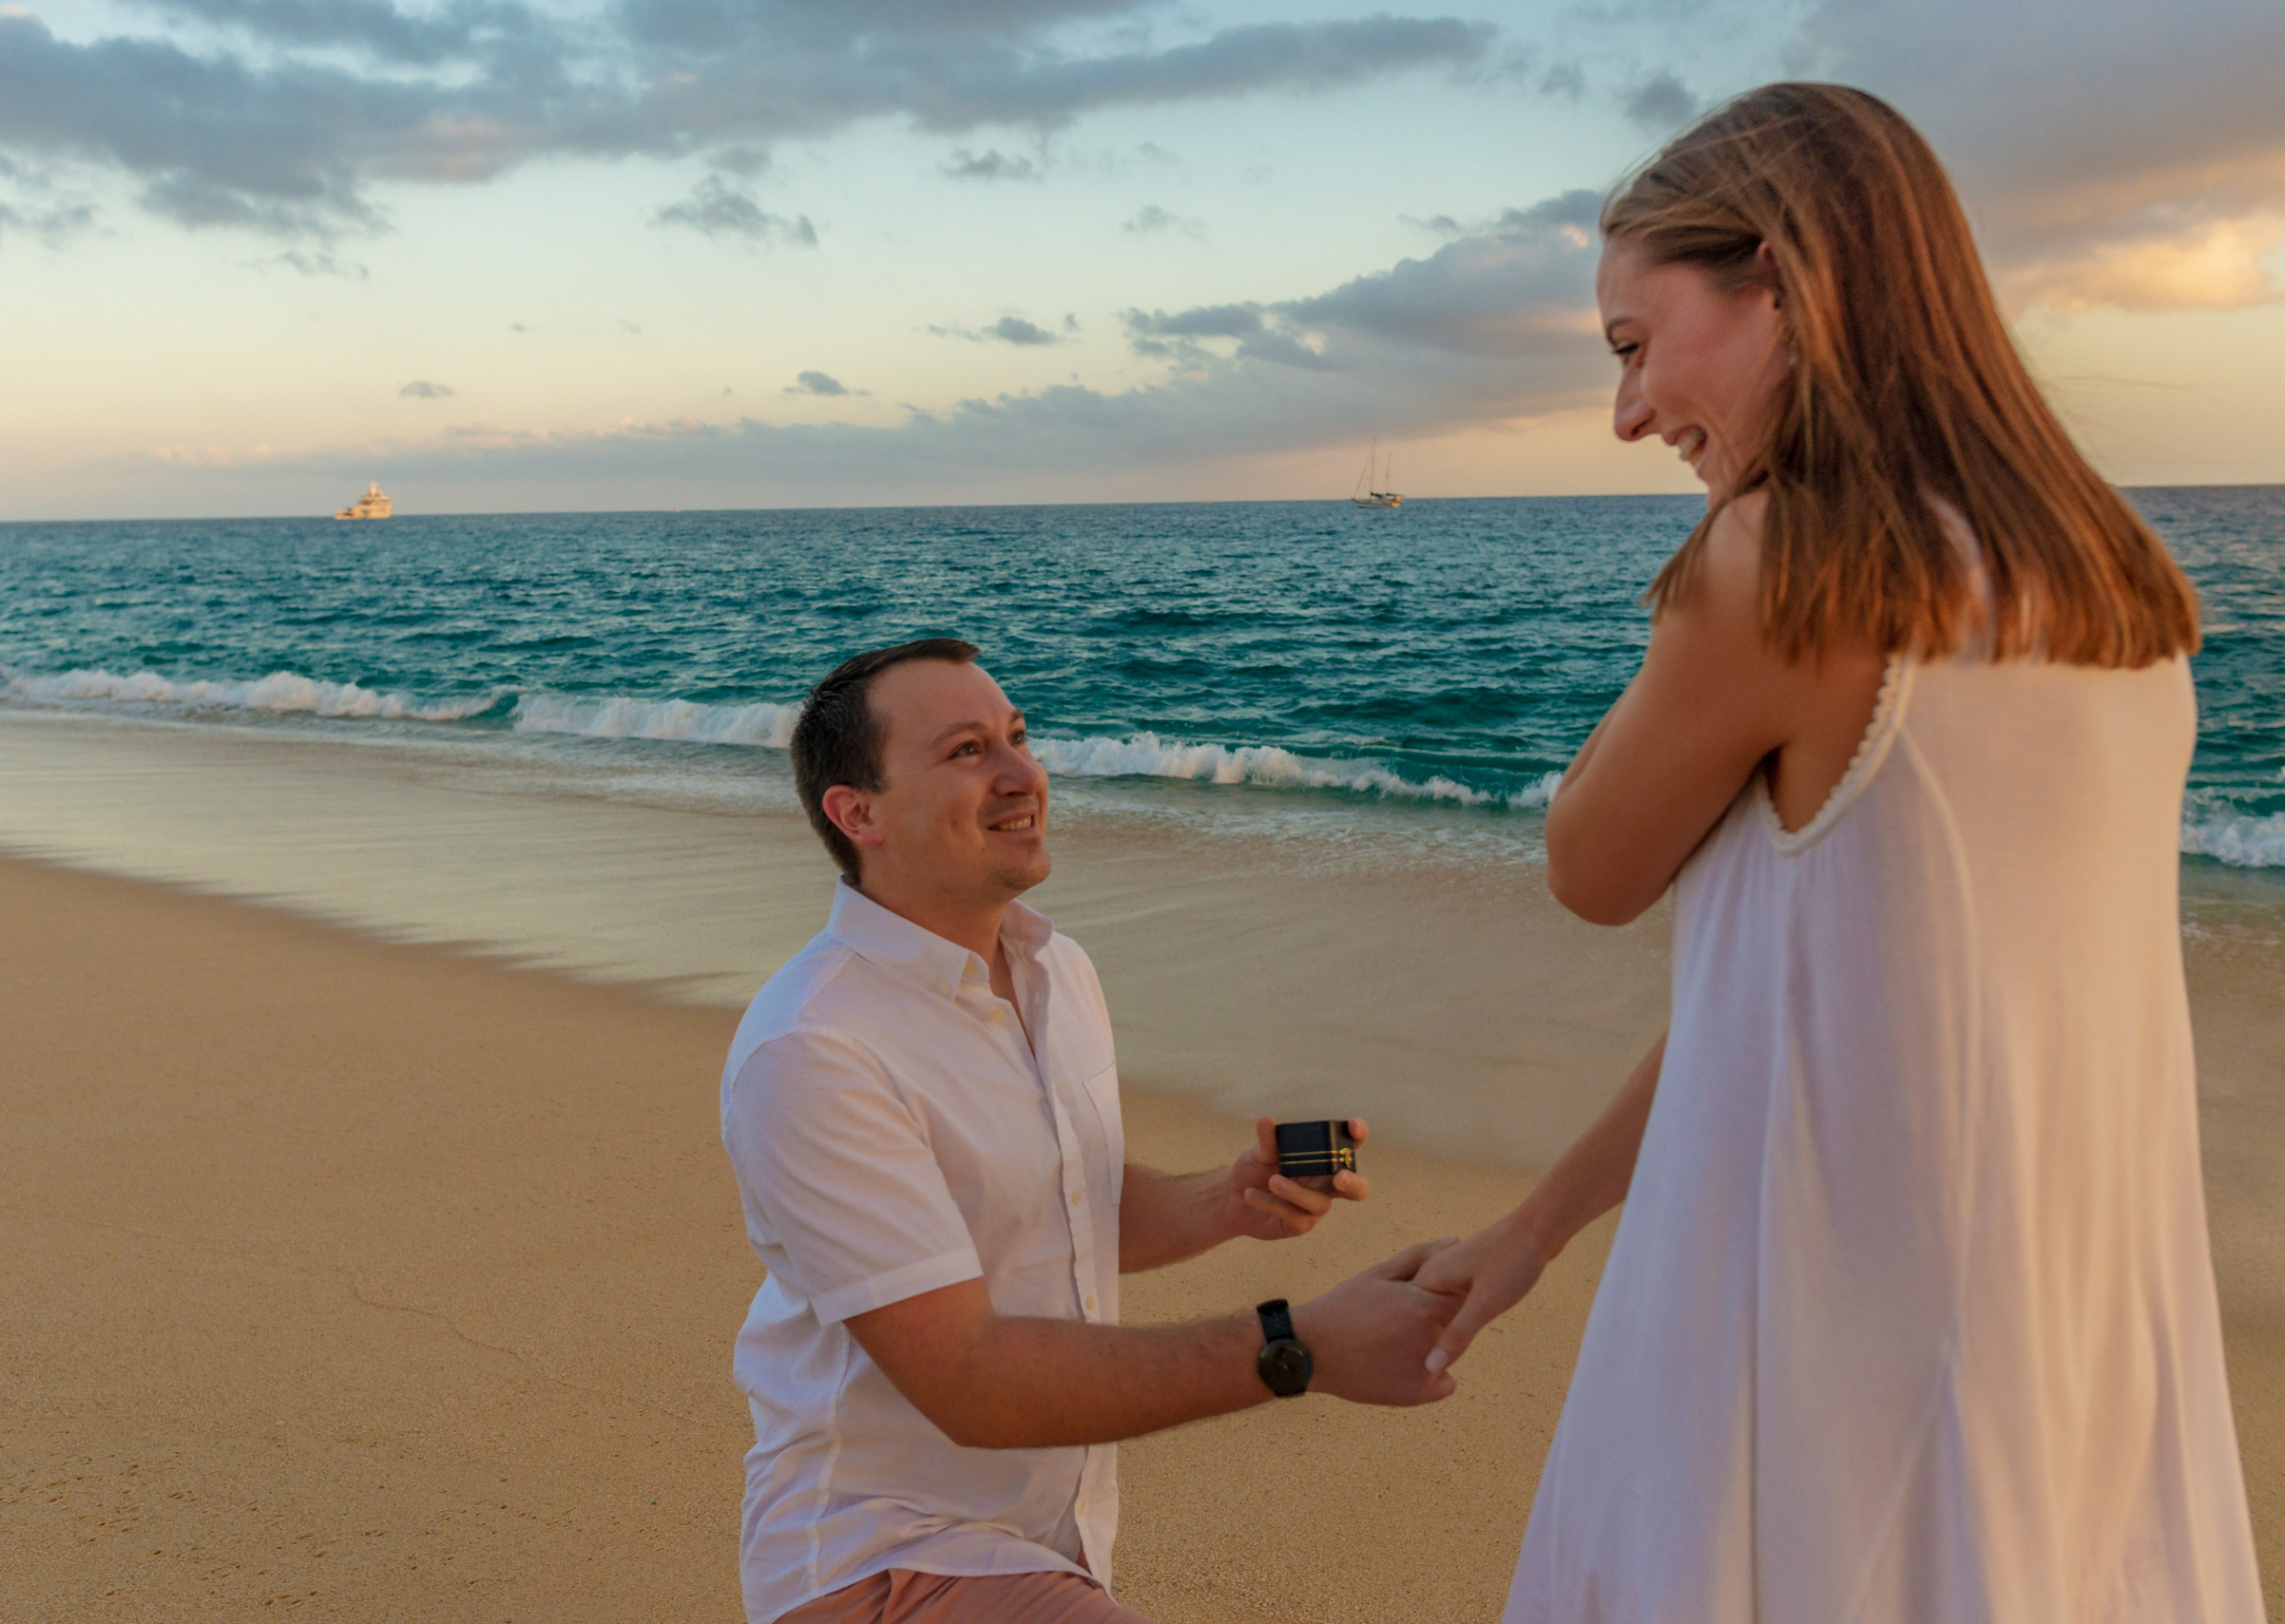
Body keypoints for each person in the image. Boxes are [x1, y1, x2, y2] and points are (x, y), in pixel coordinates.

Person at [1412, 84, 2264, 1620]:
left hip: (1834, 1350)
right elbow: (1804, 993)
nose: (1629, 413)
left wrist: (1716, 550)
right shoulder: (2118, 589)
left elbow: (1587, 865)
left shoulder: (1783, 561)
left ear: (1783, 276)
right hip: (2076, 1342)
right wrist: (1536, 1227)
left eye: (1635, 344)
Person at [720, 638, 1458, 1624]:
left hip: (1046, 1547)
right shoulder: (814, 1046)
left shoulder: (1057, 970)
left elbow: (1066, 1201)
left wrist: (1225, 1198)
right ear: (858, 813)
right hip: (879, 1559)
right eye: (967, 750)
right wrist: (1299, 1344)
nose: (1022, 774)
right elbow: (968, 1378)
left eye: (1019, 737)